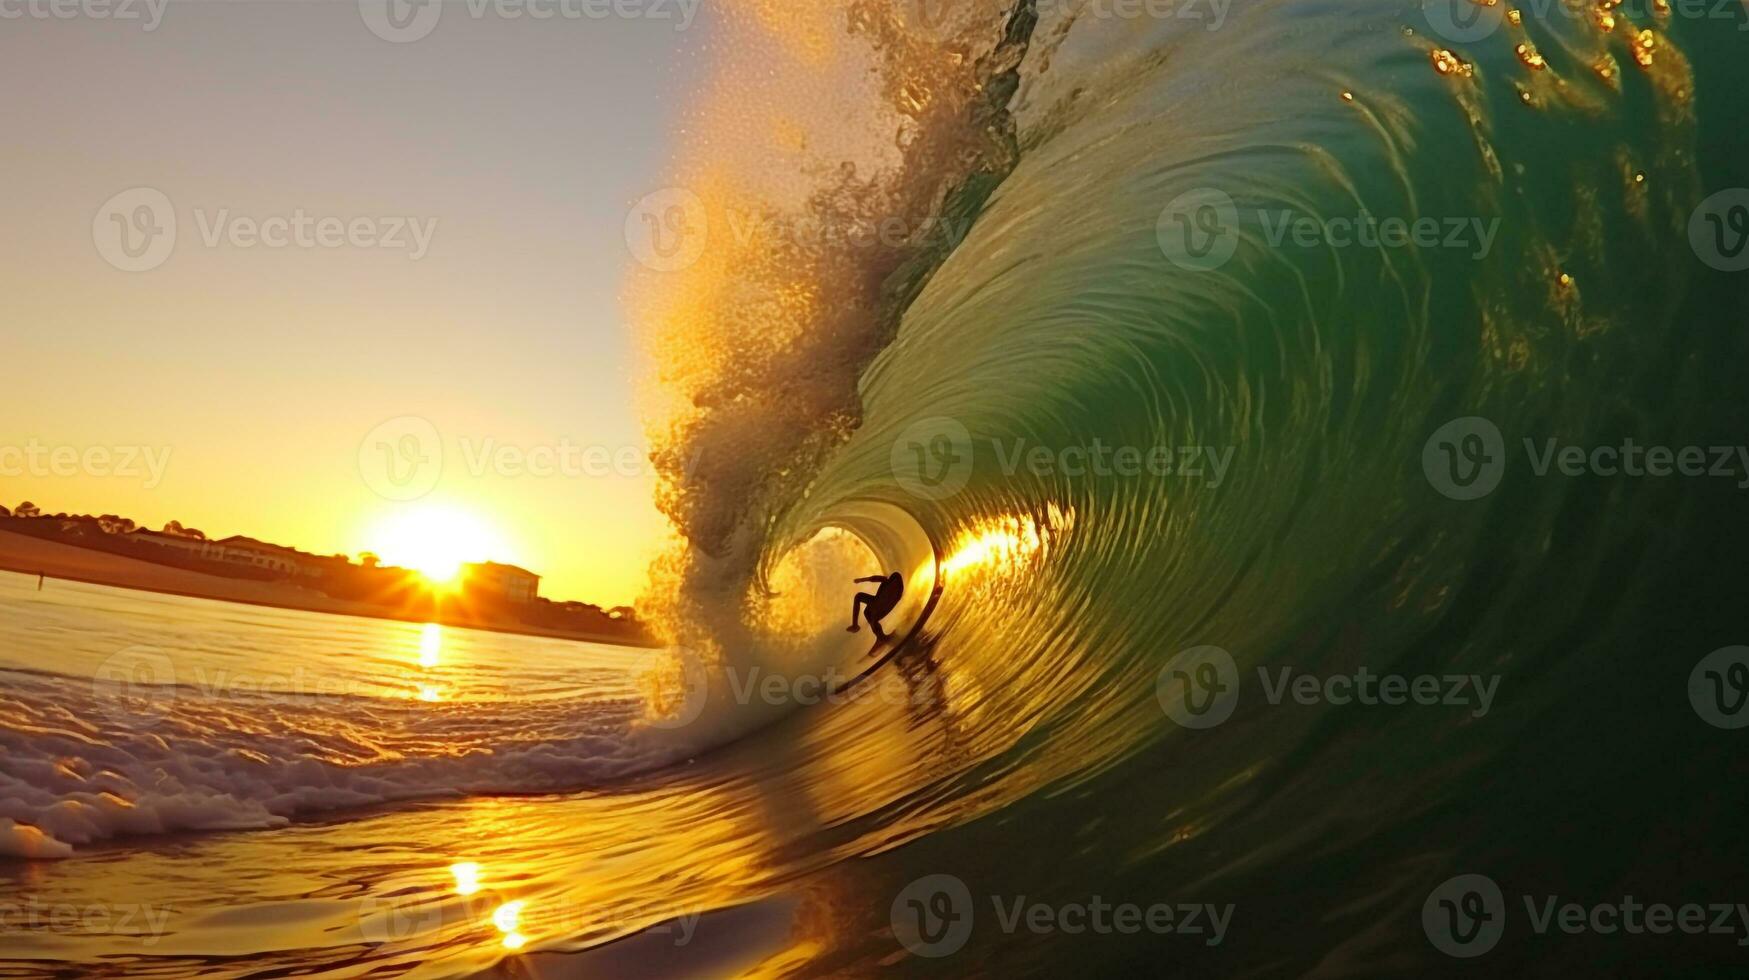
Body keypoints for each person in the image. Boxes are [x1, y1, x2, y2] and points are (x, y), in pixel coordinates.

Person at [848, 571, 904, 642]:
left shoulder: (891, 586)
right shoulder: (893, 587)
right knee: (868, 614)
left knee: (859, 597)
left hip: (881, 605)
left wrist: (861, 580)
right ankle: (881, 637)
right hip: (881, 605)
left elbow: (875, 578)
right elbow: (876, 578)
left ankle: (855, 626)